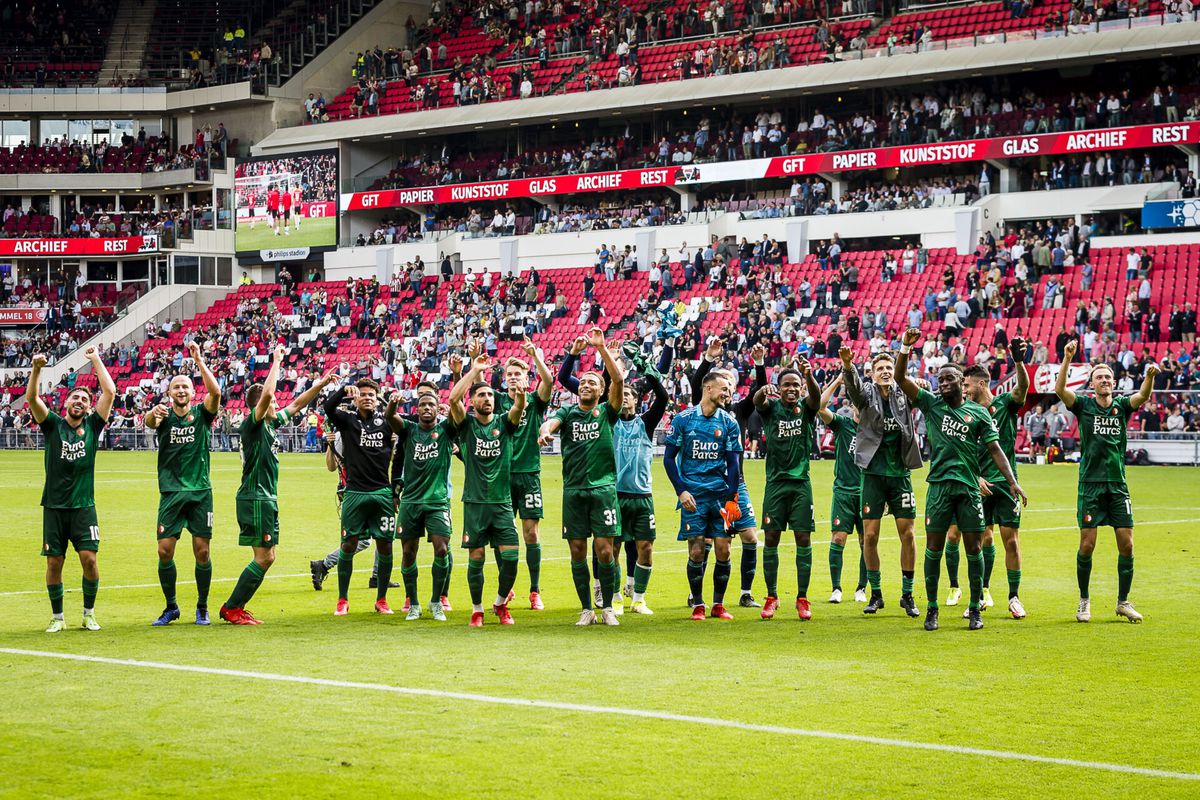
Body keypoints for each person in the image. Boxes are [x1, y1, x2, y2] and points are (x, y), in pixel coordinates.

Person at [894, 328, 1026, 632]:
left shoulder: (978, 414)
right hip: (939, 487)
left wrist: (1012, 481)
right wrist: (904, 348)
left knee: (974, 549)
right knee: (934, 549)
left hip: (968, 489)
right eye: (940, 379)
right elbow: (901, 379)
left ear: (960, 384)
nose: (943, 383)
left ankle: (975, 606)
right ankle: (931, 608)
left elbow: (995, 449)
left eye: (949, 379)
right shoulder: (930, 404)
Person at [220, 347, 335, 624]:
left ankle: (236, 606)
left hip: (265, 497)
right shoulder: (253, 424)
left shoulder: (269, 425)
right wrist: (276, 361)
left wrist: (319, 385)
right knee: (264, 557)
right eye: (270, 403)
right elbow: (269, 395)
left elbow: (295, 405)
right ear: (259, 406)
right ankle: (232, 607)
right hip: (255, 497)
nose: (276, 405)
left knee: (268, 556)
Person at [1055, 339, 1157, 623]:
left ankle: (1123, 602)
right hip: (1091, 484)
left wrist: (1148, 378)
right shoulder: (1084, 406)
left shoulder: (1122, 406)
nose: (1105, 381)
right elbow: (1060, 390)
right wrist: (1066, 359)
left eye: (1108, 377)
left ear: (1114, 382)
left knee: (1127, 545)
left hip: (1118, 485)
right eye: (1099, 377)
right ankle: (1084, 600)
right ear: (1092, 383)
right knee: (1087, 545)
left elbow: (1142, 398)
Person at [538, 327, 624, 627]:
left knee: (604, 551)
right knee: (577, 550)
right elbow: (550, 423)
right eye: (583, 381)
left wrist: (602, 349)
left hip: (603, 490)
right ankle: (586, 608)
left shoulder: (607, 412)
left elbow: (619, 379)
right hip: (573, 491)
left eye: (593, 382)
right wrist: (545, 433)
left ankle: (609, 607)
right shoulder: (568, 412)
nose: (586, 384)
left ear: (600, 391)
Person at [27, 347, 115, 632]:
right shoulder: (52, 424)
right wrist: (37, 369)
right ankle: (57, 617)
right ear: (66, 402)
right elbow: (32, 398)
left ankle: (89, 613)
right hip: (54, 506)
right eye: (75, 397)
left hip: (83, 507)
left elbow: (110, 393)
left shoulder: (92, 426)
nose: (79, 401)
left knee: (89, 559)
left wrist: (95, 360)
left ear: (89, 407)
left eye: (84, 399)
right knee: (54, 563)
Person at [943, 343, 1030, 620]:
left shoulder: (1004, 404)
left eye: (967, 384)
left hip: (1004, 484)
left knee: (1011, 541)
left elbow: (1023, 388)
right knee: (977, 542)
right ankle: (977, 595)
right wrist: (975, 476)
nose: (964, 389)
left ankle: (1014, 597)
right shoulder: (963, 412)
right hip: (975, 484)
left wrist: (1018, 362)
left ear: (982, 384)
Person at [144, 340, 222, 626]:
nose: (180, 391)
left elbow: (216, 392)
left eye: (185, 387)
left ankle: (202, 606)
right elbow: (148, 421)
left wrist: (199, 360)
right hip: (171, 492)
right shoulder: (162, 415)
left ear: (192, 392)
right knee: (164, 550)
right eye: (176, 387)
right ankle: (171, 607)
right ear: (169, 392)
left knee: (202, 551)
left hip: (200, 492)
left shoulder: (202, 414)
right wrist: (154, 413)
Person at [840, 349, 922, 618]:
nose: (886, 372)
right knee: (870, 537)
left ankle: (907, 594)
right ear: (872, 375)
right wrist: (848, 364)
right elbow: (853, 388)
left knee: (907, 534)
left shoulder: (903, 394)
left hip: (900, 474)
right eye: (880, 369)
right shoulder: (866, 394)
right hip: (873, 474)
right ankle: (875, 594)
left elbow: (920, 389)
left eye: (889, 367)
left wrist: (909, 362)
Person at [688, 337, 767, 608]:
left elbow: (760, 389)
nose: (729, 389)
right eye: (724, 384)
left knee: (750, 537)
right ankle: (696, 593)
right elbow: (699, 381)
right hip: (706, 485)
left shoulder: (739, 411)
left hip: (736, 485)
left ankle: (745, 593)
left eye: (732, 385)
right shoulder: (702, 409)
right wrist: (709, 357)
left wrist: (758, 363)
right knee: (707, 540)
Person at [450, 353, 526, 627]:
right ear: (473, 402)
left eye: (490, 396)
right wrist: (474, 371)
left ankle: (500, 602)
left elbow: (518, 406)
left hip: (502, 503)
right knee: (477, 558)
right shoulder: (467, 425)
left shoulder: (504, 424)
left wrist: (521, 394)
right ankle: (477, 609)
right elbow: (452, 400)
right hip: (475, 503)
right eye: (481, 395)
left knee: (512, 558)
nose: (487, 399)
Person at [663, 371, 742, 621]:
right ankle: (698, 604)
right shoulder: (684, 420)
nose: (727, 394)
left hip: (720, 495)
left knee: (723, 551)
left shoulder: (729, 423)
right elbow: (668, 459)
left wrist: (732, 499)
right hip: (693, 496)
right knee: (697, 551)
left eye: (729, 390)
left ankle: (718, 604)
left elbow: (734, 465)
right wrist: (681, 490)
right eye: (724, 389)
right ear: (708, 389)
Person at [322, 377, 398, 616]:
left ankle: (382, 599)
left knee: (385, 545)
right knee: (349, 544)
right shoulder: (348, 421)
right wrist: (343, 390)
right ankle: (342, 599)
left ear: (377, 399)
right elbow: (327, 408)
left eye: (371, 395)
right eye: (362, 394)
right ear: (355, 398)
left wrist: (396, 488)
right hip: (354, 492)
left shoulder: (387, 421)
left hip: (382, 492)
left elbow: (403, 446)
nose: (367, 398)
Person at [753, 360, 821, 620]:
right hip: (775, 485)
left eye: (796, 385)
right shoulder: (771, 409)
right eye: (786, 385)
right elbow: (758, 400)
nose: (791, 389)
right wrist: (763, 389)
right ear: (779, 388)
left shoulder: (806, 408)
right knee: (771, 539)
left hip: (801, 484)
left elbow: (815, 397)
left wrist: (809, 376)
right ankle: (772, 596)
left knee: (803, 539)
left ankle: (802, 598)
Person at [386, 390, 457, 622]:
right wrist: (393, 405)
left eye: (431, 405)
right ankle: (413, 602)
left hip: (437, 502)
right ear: (417, 409)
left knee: (442, 550)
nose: (427, 408)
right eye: (423, 405)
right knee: (408, 552)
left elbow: (458, 409)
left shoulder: (446, 430)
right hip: (411, 502)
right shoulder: (409, 430)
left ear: (438, 409)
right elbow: (390, 418)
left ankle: (436, 601)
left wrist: (457, 376)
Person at [612, 341, 671, 614]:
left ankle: (638, 598)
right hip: (614, 494)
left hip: (642, 495)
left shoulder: (645, 423)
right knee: (612, 548)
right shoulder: (608, 421)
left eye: (629, 394)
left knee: (645, 547)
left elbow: (663, 398)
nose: (624, 397)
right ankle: (614, 597)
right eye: (620, 393)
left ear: (636, 399)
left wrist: (647, 367)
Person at [496, 337, 553, 610]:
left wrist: (535, 355)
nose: (512, 378)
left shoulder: (535, 401)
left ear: (526, 377)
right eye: (509, 374)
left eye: (517, 374)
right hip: (501, 477)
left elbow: (550, 381)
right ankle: (506, 590)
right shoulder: (495, 401)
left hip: (529, 474)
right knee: (502, 534)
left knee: (531, 534)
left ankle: (534, 590)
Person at [816, 375, 868, 604]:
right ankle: (836, 588)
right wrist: (838, 381)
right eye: (856, 403)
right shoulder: (842, 424)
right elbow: (819, 406)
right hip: (843, 492)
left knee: (867, 541)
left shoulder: (875, 431)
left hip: (868, 492)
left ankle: (862, 588)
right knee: (838, 539)